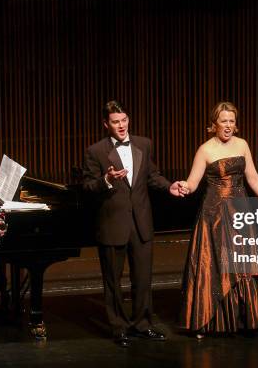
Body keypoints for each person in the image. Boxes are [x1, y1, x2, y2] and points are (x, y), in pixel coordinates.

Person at [83, 100, 186, 347]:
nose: (121, 126)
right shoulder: (95, 151)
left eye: (124, 120)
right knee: (113, 281)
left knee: (143, 278)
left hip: (141, 222)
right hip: (112, 224)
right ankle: (119, 327)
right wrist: (106, 179)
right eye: (116, 122)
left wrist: (168, 185)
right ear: (106, 124)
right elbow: (87, 187)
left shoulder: (143, 144)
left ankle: (142, 324)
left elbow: (152, 175)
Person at [179, 101, 258, 337]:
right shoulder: (205, 149)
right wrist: (183, 186)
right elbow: (192, 183)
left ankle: (243, 319)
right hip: (215, 215)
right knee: (215, 265)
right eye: (224, 121)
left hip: (240, 212)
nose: (229, 125)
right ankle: (209, 320)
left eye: (232, 121)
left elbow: (253, 177)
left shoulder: (242, 145)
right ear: (214, 124)